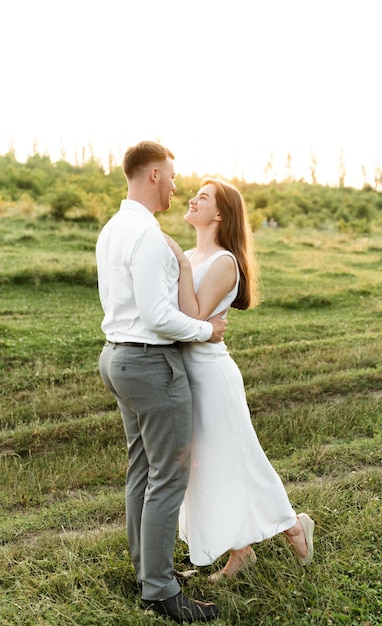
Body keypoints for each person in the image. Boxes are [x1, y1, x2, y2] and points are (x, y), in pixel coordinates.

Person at [96, 142, 227, 623]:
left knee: (142, 470)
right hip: (150, 365)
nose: (175, 185)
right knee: (169, 475)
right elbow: (157, 317)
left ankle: (147, 570)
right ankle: (160, 590)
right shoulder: (146, 235)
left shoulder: (113, 229)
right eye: (171, 176)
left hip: (117, 358)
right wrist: (206, 329)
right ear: (153, 175)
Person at [165, 178, 315, 580]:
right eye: (194, 193)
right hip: (186, 374)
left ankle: (293, 526)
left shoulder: (223, 262)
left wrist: (179, 265)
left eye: (203, 197)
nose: (193, 199)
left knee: (239, 460)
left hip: (212, 377)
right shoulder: (194, 254)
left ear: (220, 214)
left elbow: (192, 320)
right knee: (204, 466)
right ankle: (241, 550)